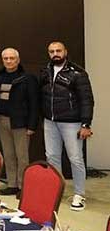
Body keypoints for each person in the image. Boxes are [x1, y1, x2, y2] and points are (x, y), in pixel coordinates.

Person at [39, 41, 94, 211]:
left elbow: (87, 100)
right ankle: (56, 190)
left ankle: (79, 194)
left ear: (65, 52)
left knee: (75, 158)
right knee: (52, 157)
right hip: (50, 121)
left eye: (58, 51)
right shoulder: (45, 71)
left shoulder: (78, 73)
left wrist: (86, 124)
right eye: (51, 51)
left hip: (72, 122)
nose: (55, 54)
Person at [0, 47, 39, 196]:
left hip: (21, 122)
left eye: (12, 58)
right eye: (5, 58)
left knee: (22, 156)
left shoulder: (27, 78)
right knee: (8, 155)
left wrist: (32, 125)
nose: (9, 61)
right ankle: (12, 184)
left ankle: (23, 186)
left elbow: (34, 103)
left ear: (18, 60)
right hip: (2, 120)